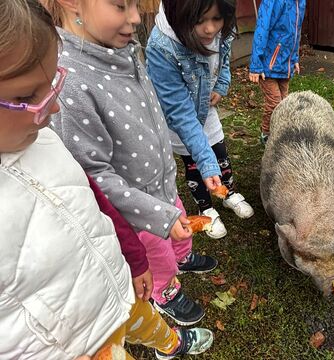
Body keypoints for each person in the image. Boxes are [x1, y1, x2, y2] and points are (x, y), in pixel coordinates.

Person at [0, 0, 213, 358]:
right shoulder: (74, 87)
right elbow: (102, 180)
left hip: (119, 266)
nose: (53, 108)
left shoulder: (124, 54)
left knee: (155, 284)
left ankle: (169, 330)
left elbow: (92, 200)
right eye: (120, 5)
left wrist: (131, 259)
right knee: (160, 261)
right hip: (77, 334)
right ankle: (168, 291)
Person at [146, 0, 254, 240]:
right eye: (199, 21)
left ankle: (227, 193)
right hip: (179, 119)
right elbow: (181, 114)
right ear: (181, 16)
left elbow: (223, 56)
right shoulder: (162, 47)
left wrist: (222, 85)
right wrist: (205, 161)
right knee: (197, 165)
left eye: (217, 19)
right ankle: (206, 208)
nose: (210, 29)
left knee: (220, 155)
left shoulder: (221, 30)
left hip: (205, 108)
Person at [248, 0, 307, 144]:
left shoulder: (301, 3)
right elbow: (262, 29)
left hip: (285, 64)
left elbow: (296, 33)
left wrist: (295, 59)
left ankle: (280, 133)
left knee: (284, 102)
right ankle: (266, 134)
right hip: (267, 65)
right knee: (275, 103)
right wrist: (256, 65)